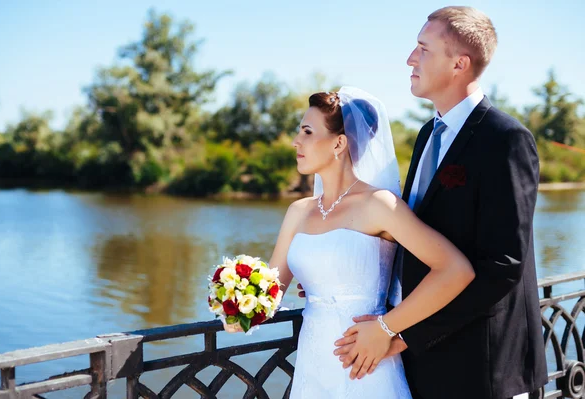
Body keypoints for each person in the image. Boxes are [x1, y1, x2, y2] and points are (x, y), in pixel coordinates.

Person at [333, 7, 548, 399]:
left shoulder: (505, 140)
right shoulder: (427, 134)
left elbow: (504, 267)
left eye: (422, 49)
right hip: (425, 357)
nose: (410, 59)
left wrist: (401, 334)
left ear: (459, 64)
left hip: (481, 366)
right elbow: (416, 233)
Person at [226, 86, 475, 398]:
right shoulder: (298, 212)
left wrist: (387, 328)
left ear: (339, 143)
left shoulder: (379, 204)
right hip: (313, 365)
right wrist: (236, 308)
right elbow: (271, 291)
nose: (296, 141)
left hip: (366, 363)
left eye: (306, 131)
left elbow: (455, 269)